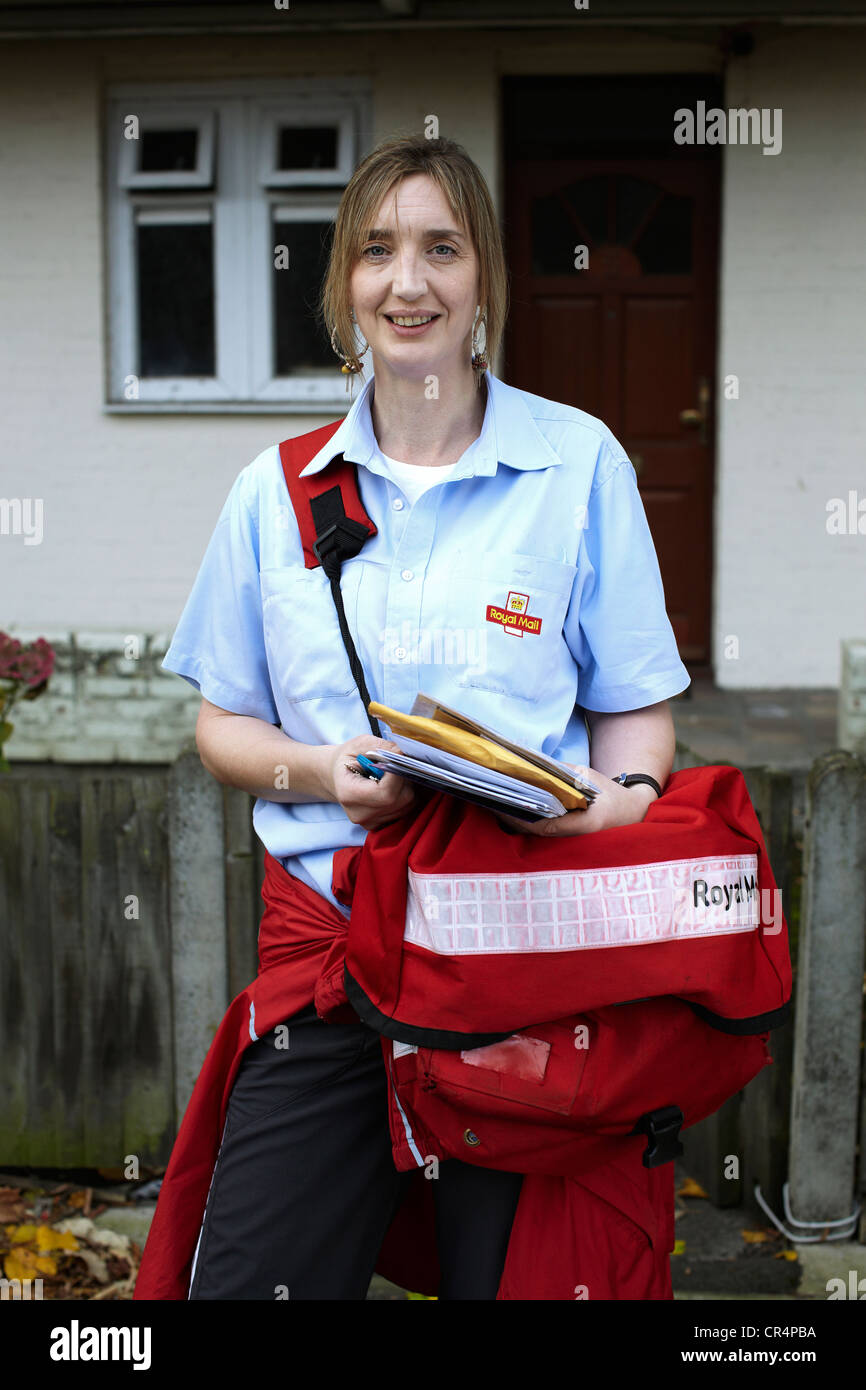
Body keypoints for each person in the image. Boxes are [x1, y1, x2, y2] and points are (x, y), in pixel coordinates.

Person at [148, 132, 690, 1301]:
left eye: (442, 247)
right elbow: (221, 725)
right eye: (378, 251)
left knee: (524, 1284)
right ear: (344, 284)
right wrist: (317, 768)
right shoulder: (276, 490)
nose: (410, 281)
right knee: (247, 1285)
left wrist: (612, 804)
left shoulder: (576, 464)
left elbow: (638, 718)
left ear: (482, 279)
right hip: (332, 967)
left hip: (520, 964)